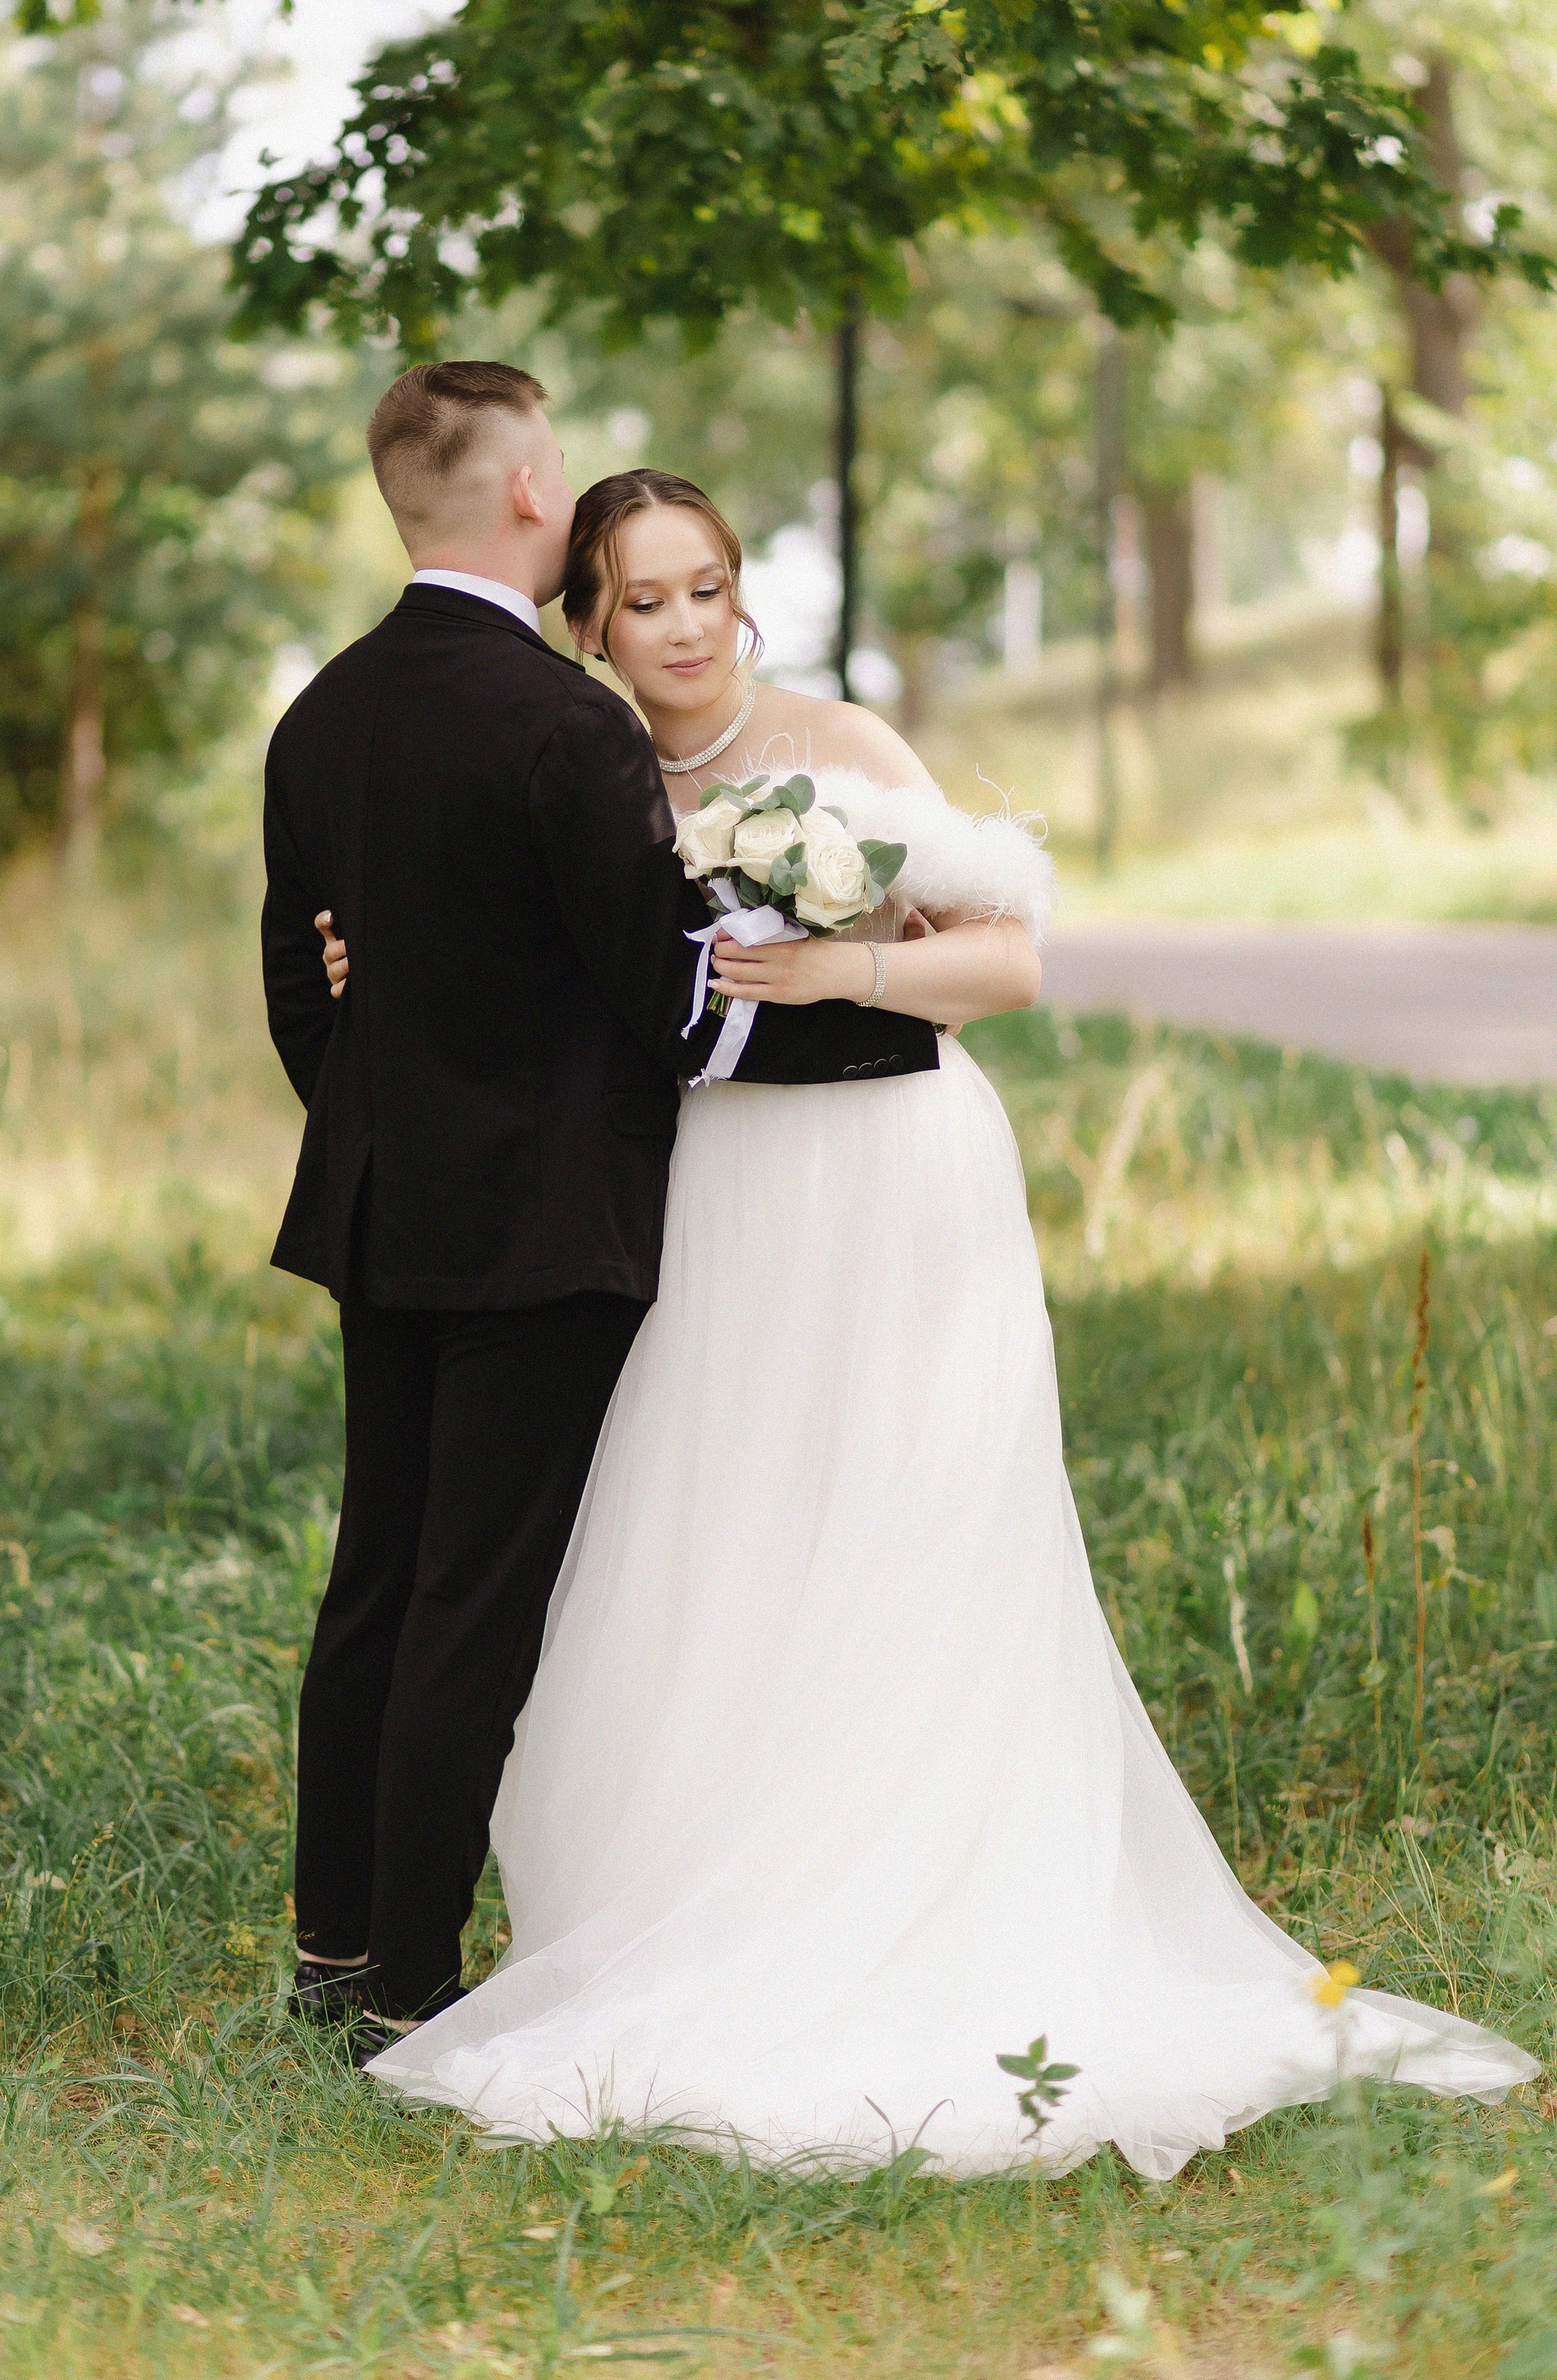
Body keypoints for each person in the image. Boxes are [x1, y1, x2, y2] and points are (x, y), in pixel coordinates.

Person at [326, 465, 1536, 2176]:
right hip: (705, 1199)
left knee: (904, 1523)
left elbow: (1009, 963)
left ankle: (931, 1884)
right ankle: (704, 1889)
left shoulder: (843, 745)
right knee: (719, 1534)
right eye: (637, 602)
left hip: (891, 1181)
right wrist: (364, 970)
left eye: (701, 589)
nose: (677, 629)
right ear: (584, 627)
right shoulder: (586, 778)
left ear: (741, 595)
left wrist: (846, 970)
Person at [261, 367, 949, 2043]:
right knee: (473, 1598)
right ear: (520, 498)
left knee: (376, 1580)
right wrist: (868, 1037)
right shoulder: (560, 724)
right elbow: (673, 1013)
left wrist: (393, 1110)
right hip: (543, 1232)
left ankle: (333, 1945)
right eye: (556, 469)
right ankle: (410, 1985)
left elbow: (305, 992)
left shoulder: (321, 715)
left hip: (381, 1209)